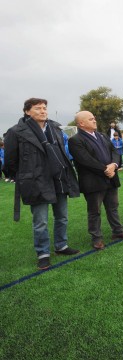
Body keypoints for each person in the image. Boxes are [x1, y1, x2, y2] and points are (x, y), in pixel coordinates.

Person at [4, 98, 80, 270]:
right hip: (36, 180)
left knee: (62, 216)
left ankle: (61, 245)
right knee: (41, 221)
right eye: (38, 108)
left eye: (45, 108)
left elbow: (62, 151)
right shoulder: (15, 131)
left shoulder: (55, 127)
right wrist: (26, 175)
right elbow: (10, 160)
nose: (43, 111)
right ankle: (43, 253)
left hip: (59, 177)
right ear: (27, 111)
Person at [68, 111, 123, 250]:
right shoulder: (75, 140)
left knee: (113, 207)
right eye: (91, 119)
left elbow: (115, 152)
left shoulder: (102, 136)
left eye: (94, 118)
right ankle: (96, 238)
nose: (94, 120)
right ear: (81, 123)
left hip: (110, 179)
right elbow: (85, 160)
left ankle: (118, 232)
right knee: (94, 211)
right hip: (93, 181)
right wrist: (106, 169)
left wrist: (114, 165)